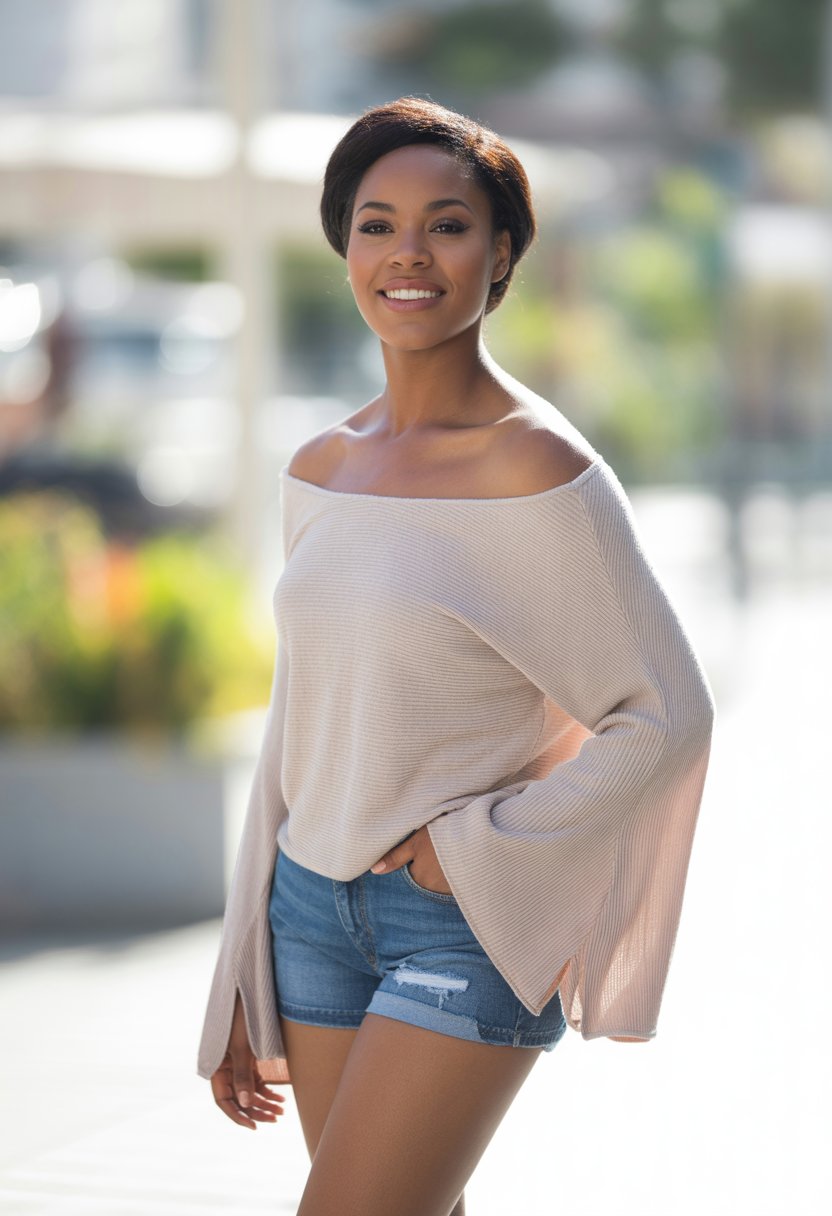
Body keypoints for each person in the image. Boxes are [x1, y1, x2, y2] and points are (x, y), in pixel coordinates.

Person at [197, 96, 716, 1216]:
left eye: (448, 223)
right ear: (345, 248)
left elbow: (667, 714)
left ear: (503, 253)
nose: (409, 254)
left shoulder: (539, 470)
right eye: (377, 224)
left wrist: (473, 849)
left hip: (459, 923)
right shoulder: (321, 465)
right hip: (307, 912)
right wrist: (243, 956)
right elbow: (304, 722)